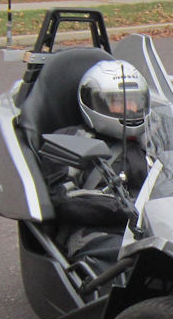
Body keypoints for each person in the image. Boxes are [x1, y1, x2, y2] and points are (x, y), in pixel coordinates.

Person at [43, 59, 150, 255]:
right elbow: (64, 198)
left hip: (152, 229)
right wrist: (127, 207)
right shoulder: (71, 139)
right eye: (118, 102)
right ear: (94, 102)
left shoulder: (151, 140)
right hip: (94, 233)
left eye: (135, 101)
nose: (130, 109)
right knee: (143, 258)